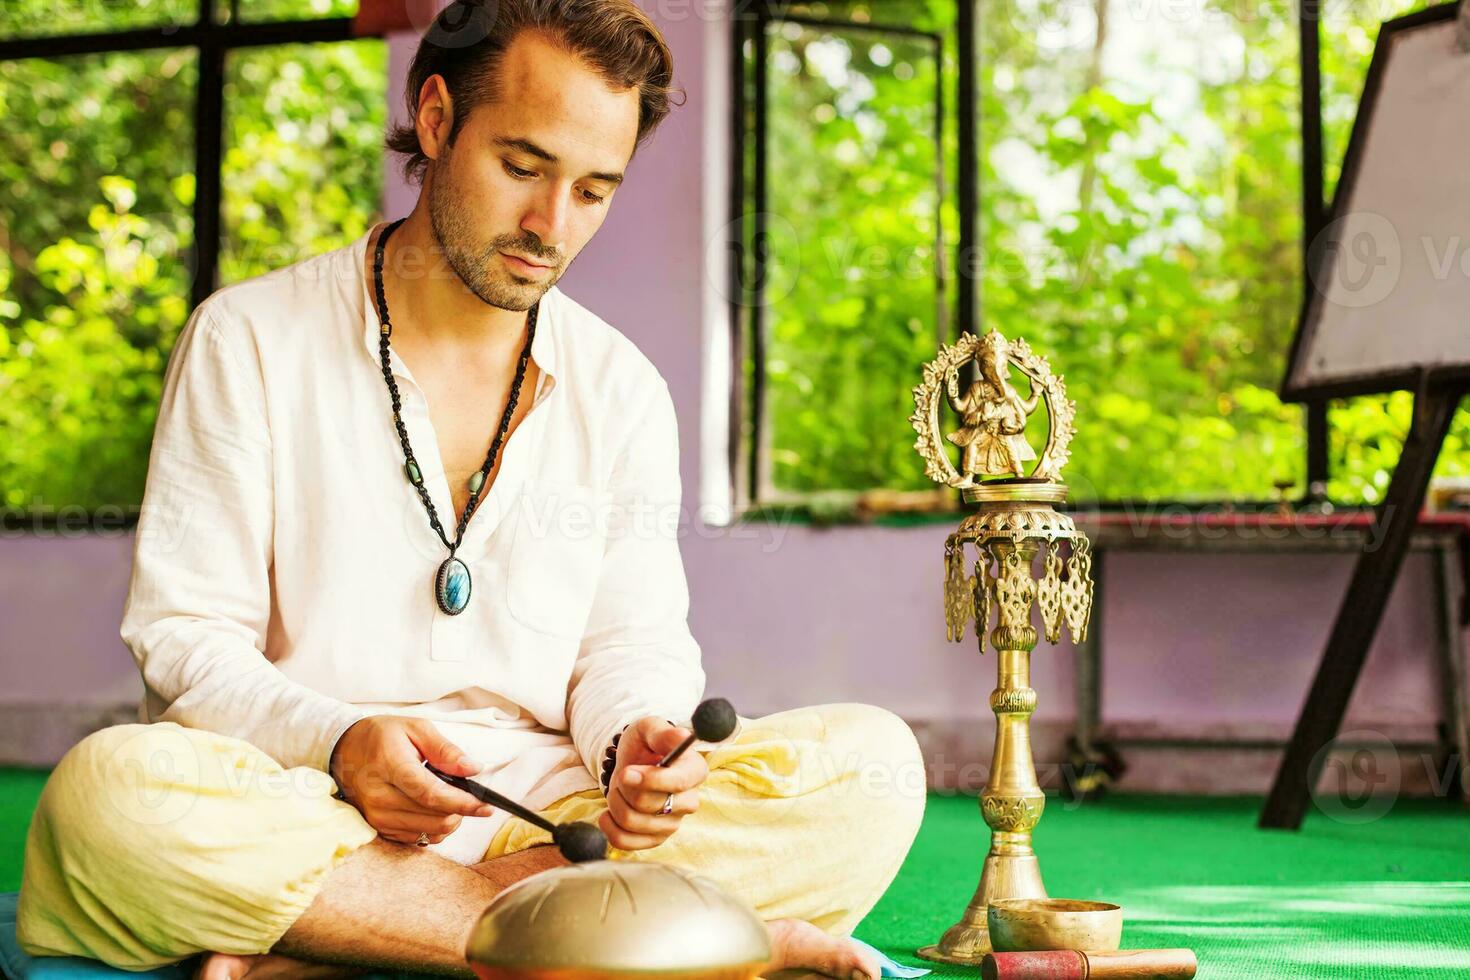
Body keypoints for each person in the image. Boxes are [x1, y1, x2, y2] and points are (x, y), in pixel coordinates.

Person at [15, 2, 926, 978]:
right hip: (306, 792)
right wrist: (342, 740)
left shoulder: (622, 387)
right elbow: (186, 646)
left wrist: (635, 745)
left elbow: (629, 644)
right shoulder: (246, 339)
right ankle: (626, 938)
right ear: (439, 120)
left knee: (874, 769)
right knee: (110, 795)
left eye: (593, 190)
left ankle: (343, 937)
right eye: (523, 168)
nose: (551, 225)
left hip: (556, 811)